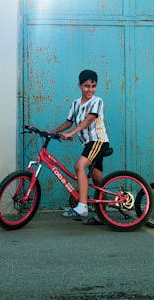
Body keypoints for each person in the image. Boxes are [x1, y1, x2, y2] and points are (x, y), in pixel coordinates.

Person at [48, 69, 109, 225]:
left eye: (93, 86)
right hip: (89, 143)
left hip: (98, 141)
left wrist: (72, 133)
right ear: (80, 86)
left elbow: (89, 120)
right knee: (97, 179)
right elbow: (69, 121)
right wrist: (53, 131)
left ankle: (82, 206)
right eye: (86, 86)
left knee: (79, 166)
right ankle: (103, 212)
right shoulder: (75, 104)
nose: (90, 89)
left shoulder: (97, 101)